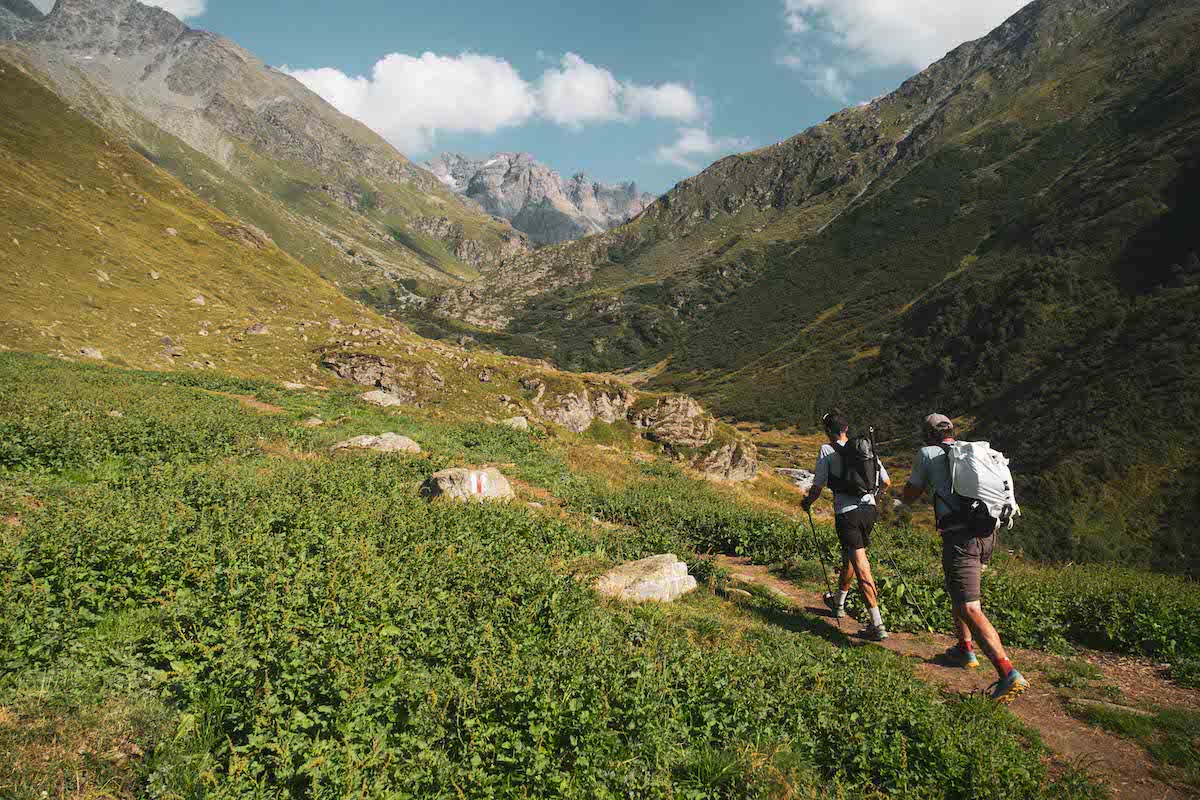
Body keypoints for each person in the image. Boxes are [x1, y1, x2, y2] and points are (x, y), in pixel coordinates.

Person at [901, 413, 1029, 705]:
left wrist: (908, 491)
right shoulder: (971, 453)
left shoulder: (928, 454)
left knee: (970, 606)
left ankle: (1008, 673)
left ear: (928, 434)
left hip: (961, 537)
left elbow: (911, 494)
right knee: (957, 592)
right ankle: (964, 648)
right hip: (987, 534)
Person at [801, 413, 892, 641]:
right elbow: (887, 482)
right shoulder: (864, 448)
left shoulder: (826, 450)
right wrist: (874, 500)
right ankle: (838, 603)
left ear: (827, 431)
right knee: (849, 558)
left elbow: (818, 486)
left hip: (847, 514)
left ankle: (877, 624)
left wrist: (807, 503)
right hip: (869, 511)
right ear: (847, 427)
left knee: (861, 566)